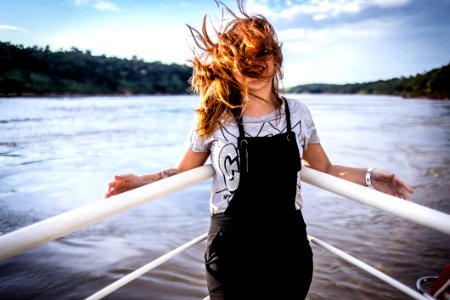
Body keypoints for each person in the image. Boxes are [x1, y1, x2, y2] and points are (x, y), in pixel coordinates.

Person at [104, 1, 414, 299]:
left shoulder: (298, 113)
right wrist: (142, 181)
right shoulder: (214, 115)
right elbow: (184, 171)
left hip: (288, 248)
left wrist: (373, 177)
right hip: (231, 251)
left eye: (262, 53)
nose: (253, 62)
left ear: (276, 60)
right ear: (230, 65)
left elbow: (326, 169)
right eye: (242, 55)